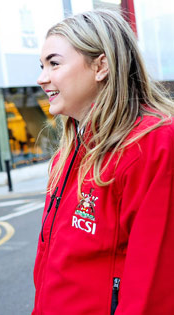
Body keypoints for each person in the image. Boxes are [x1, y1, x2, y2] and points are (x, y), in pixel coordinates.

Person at [33, 10, 174, 314]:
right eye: (42, 66)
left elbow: (152, 286)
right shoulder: (67, 153)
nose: (42, 78)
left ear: (101, 66)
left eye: (54, 64)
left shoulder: (154, 144)